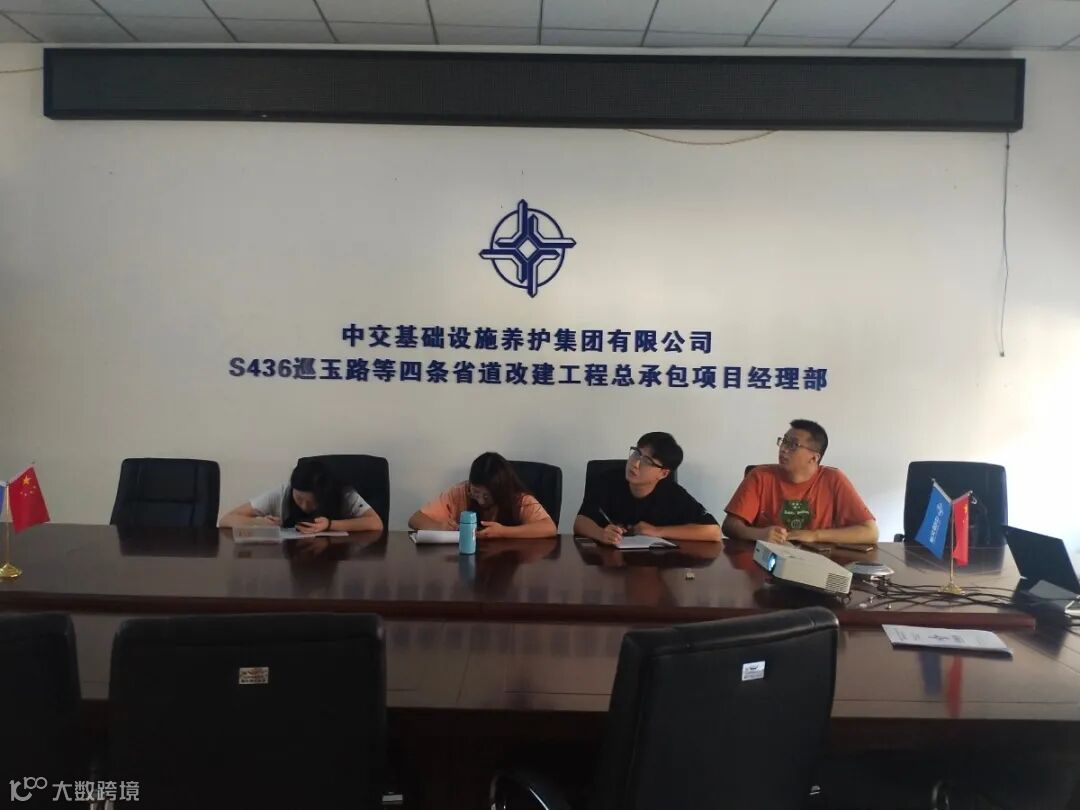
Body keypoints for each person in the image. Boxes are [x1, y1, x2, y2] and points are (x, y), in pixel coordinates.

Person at [722, 419, 878, 544]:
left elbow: (870, 532)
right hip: (767, 560)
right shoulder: (761, 476)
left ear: (814, 458)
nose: (783, 449)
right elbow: (730, 526)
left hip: (818, 562)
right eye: (784, 441)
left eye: (793, 445)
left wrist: (815, 535)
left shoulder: (833, 479)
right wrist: (759, 534)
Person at [574, 431, 721, 545]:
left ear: (663, 473)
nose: (635, 463)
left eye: (647, 461)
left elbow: (714, 532)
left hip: (654, 564)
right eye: (636, 453)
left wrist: (657, 531)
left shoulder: (673, 494)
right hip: (608, 566)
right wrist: (600, 533)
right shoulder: (607, 479)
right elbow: (580, 522)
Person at [408, 452, 557, 539]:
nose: (480, 501)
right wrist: (439, 527)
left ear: (501, 491)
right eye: (475, 493)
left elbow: (549, 528)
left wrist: (503, 532)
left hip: (509, 562)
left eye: (486, 496)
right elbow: (415, 519)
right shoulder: (461, 491)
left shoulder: (518, 499)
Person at [219, 459, 384, 534]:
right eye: (299, 499)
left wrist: (330, 524)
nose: (304, 506)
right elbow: (226, 520)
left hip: (335, 560)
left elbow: (376, 523)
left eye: (312, 502)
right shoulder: (282, 494)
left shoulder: (344, 494)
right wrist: (260, 523)